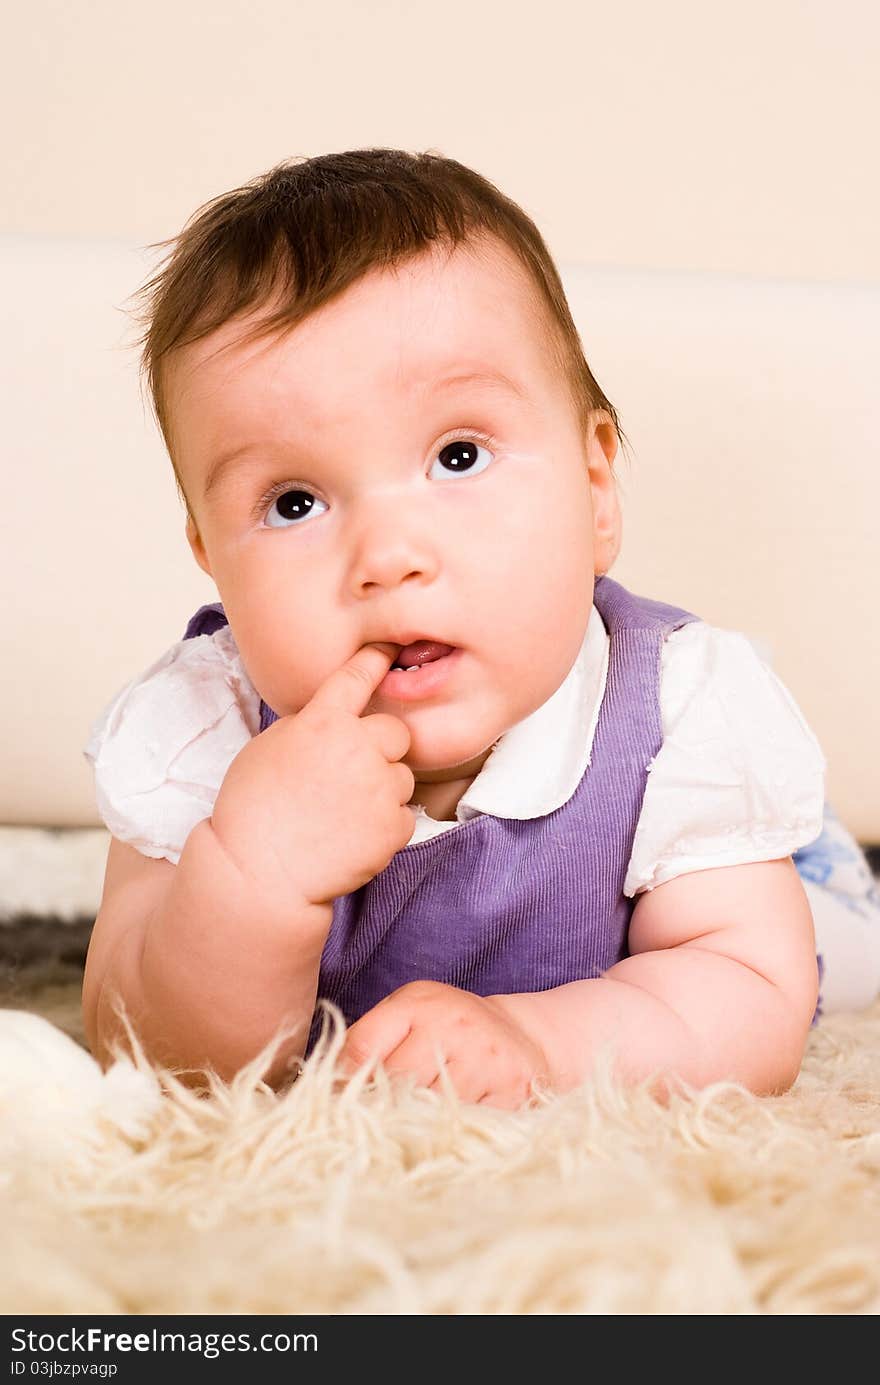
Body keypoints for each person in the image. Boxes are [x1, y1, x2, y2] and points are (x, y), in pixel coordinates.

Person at [81, 149, 880, 1109]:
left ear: (594, 490)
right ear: (209, 553)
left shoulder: (679, 707)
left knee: (834, 954)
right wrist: (247, 879)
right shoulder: (203, 729)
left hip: (741, 886)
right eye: (293, 503)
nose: (388, 555)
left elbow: (749, 999)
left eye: (458, 454)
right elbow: (142, 1051)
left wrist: (539, 1043)